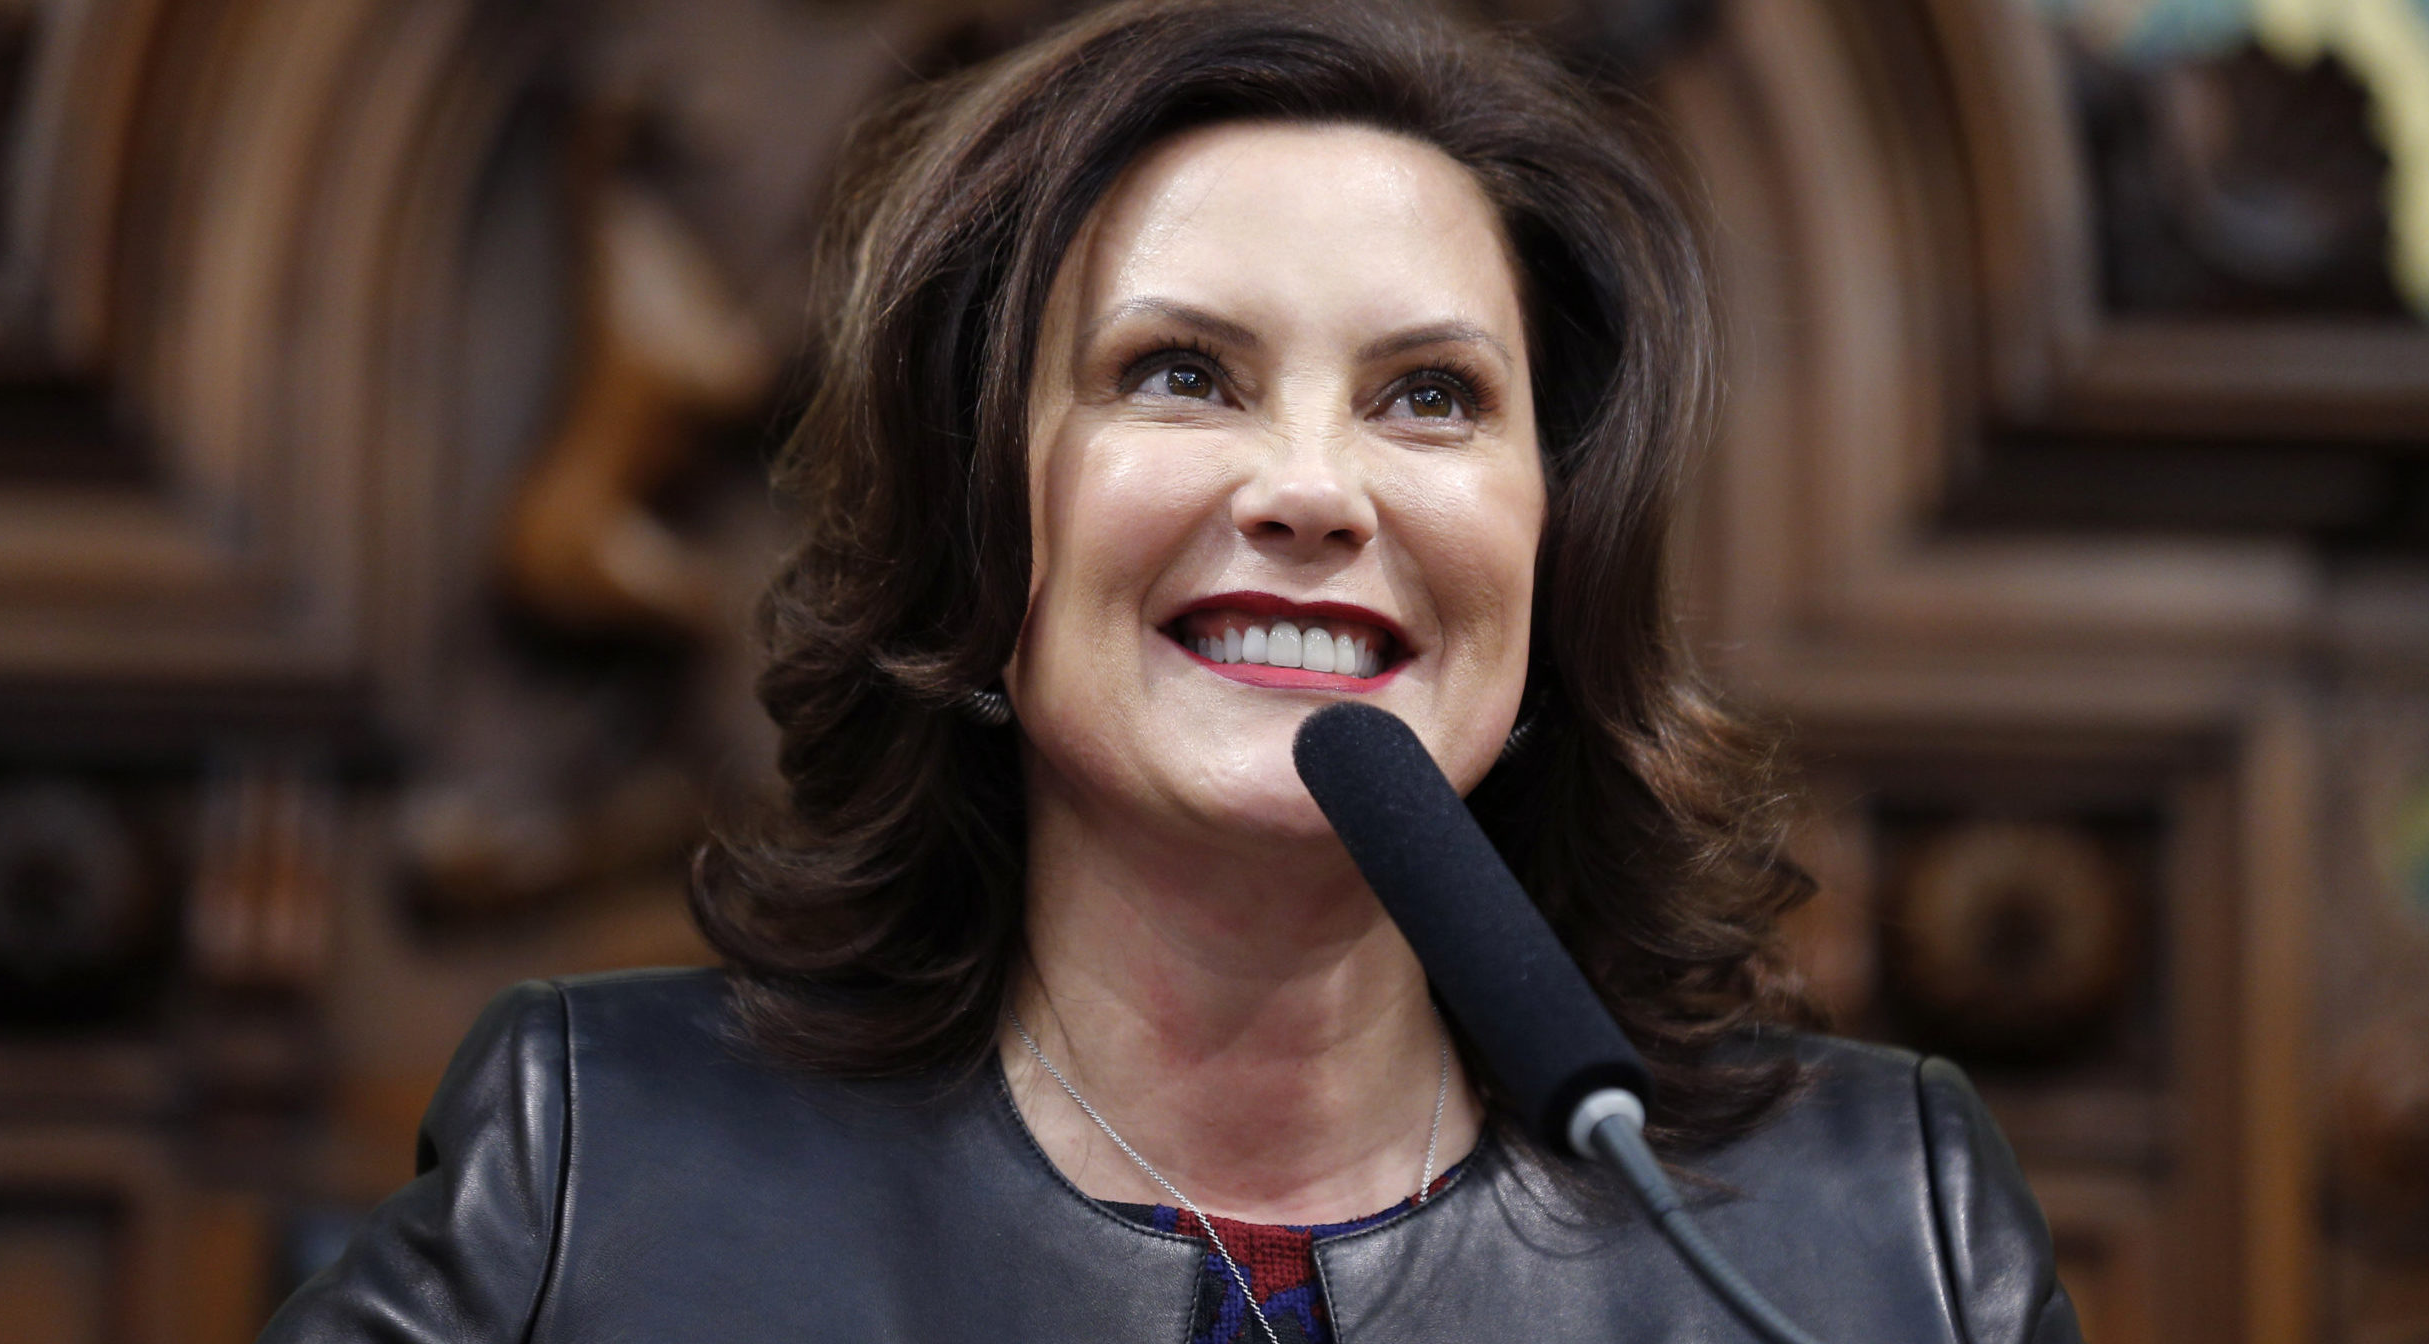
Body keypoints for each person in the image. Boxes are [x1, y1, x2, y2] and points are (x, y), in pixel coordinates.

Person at [262, 1, 2082, 1340]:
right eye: (1181, 374)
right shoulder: (595, 1182)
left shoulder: (1873, 1240)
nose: (1308, 488)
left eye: (1428, 398)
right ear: (988, 538)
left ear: (1555, 553)